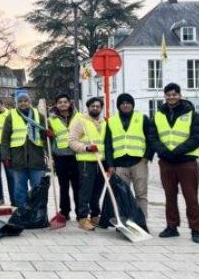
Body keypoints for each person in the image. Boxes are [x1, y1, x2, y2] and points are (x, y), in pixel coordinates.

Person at [148, 83, 199, 243]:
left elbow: (197, 137)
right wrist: (164, 152)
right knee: (169, 196)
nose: (171, 97)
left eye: (174, 94)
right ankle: (172, 227)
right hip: (166, 162)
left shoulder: (192, 114)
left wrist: (177, 151)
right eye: (168, 94)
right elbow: (152, 137)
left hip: (186, 161)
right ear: (164, 96)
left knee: (191, 196)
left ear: (179, 95)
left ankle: (195, 229)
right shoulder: (158, 115)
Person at [104, 93, 153, 219]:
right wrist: (110, 165)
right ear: (119, 106)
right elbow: (108, 145)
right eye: (122, 103)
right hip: (120, 164)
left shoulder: (142, 118)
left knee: (141, 194)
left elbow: (151, 139)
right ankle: (124, 221)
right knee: (122, 194)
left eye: (128, 103)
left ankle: (142, 221)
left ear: (132, 105)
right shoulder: (111, 121)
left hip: (138, 162)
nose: (125, 105)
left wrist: (146, 158)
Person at [1, 90, 47, 209]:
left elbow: (45, 134)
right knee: (19, 188)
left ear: (30, 102)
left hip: (36, 158)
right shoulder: (11, 116)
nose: (23, 103)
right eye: (20, 101)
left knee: (37, 187)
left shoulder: (39, 115)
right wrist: (5, 157)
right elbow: (5, 139)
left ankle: (37, 212)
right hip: (17, 158)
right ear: (17, 103)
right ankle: (22, 211)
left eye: (25, 100)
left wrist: (48, 134)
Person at [69, 97, 107, 231]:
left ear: (101, 108)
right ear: (88, 107)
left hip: (100, 161)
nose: (95, 108)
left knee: (97, 191)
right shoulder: (80, 121)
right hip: (86, 161)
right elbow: (72, 141)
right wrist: (86, 148)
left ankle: (95, 215)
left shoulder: (103, 122)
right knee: (85, 191)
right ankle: (83, 217)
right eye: (92, 106)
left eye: (98, 106)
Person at [47, 93, 82, 221]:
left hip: (76, 155)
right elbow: (47, 139)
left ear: (69, 103)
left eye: (65, 102)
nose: (63, 104)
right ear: (56, 104)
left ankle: (80, 211)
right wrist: (48, 134)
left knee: (77, 185)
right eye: (60, 102)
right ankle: (64, 211)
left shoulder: (78, 117)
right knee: (63, 185)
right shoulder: (51, 119)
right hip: (60, 156)